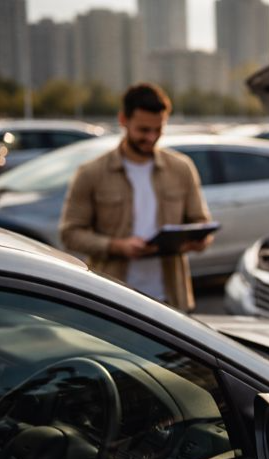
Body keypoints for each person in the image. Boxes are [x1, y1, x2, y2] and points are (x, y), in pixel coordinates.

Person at [60, 83, 212, 311]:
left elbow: (200, 221)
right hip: (112, 301)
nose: (151, 137)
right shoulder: (91, 173)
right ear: (123, 120)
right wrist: (117, 246)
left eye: (158, 130)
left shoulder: (182, 168)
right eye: (143, 130)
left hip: (171, 302)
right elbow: (70, 233)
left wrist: (199, 240)